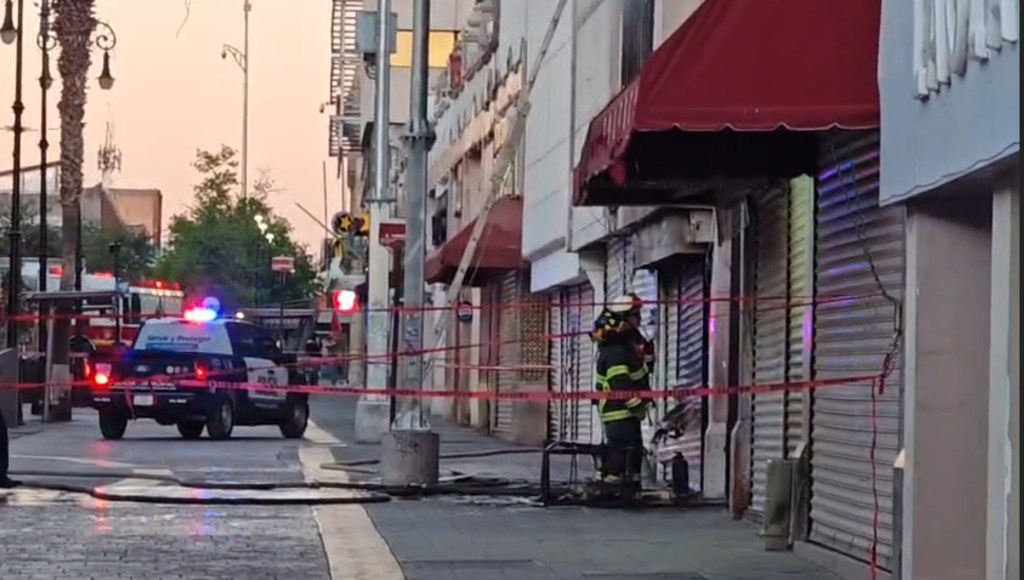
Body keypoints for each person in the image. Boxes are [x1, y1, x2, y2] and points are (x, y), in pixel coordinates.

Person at [592, 293, 652, 487]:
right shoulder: (616, 350)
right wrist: (637, 406)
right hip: (617, 411)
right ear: (624, 319)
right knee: (620, 453)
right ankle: (609, 488)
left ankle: (629, 490)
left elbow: (638, 373)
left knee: (633, 453)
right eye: (636, 315)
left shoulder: (626, 344)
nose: (640, 319)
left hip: (625, 412)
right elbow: (620, 384)